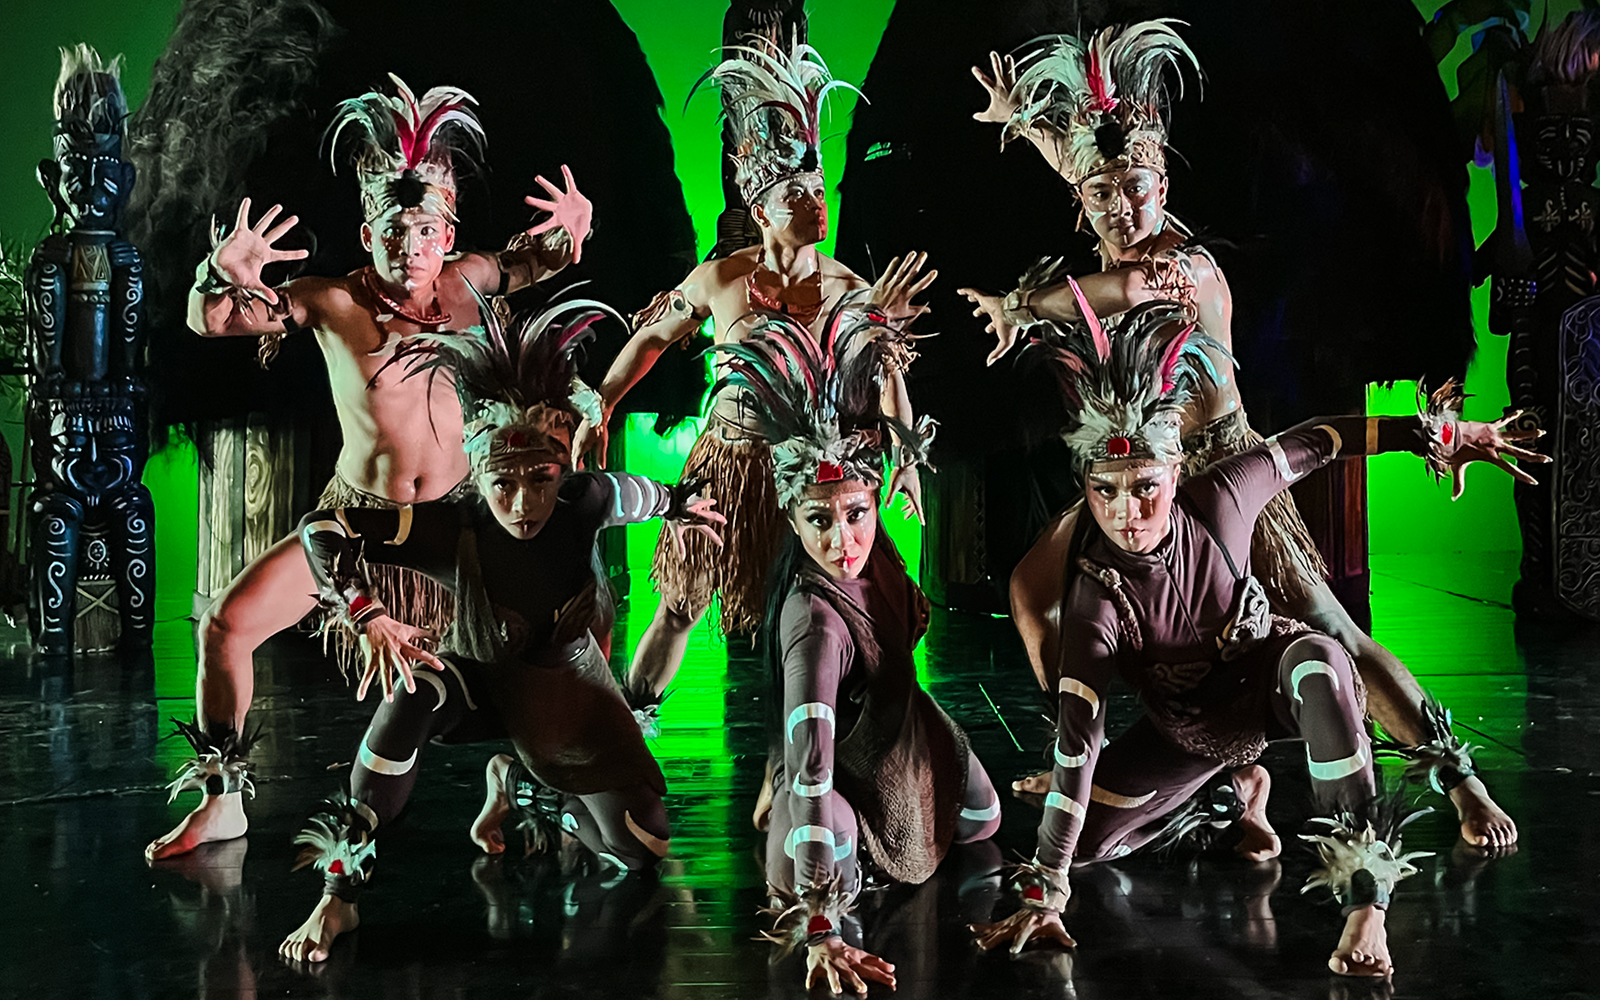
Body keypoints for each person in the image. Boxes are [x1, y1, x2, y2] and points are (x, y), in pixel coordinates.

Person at [959, 21, 1516, 848]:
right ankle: (1098, 748)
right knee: (1031, 589)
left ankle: (1458, 775)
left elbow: (1126, 290)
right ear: (1081, 200)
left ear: (1163, 183)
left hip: (1221, 476)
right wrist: (1032, 126)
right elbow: (1095, 169)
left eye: (1138, 188)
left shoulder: (1179, 266)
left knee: (1332, 632)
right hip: (1140, 480)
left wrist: (1019, 305)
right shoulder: (1110, 210)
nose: (1123, 206)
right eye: (1103, 195)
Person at [968, 293, 1545, 975]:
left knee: (1325, 659)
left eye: (1145, 487)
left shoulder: (1221, 497)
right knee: (1088, 845)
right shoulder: (1096, 597)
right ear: (1086, 486)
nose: (1128, 513)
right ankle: (1232, 798)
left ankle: (1368, 902)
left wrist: (1438, 435)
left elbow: (1320, 440)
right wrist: (1047, 887)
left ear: (1174, 473)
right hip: (1191, 731)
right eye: (1107, 490)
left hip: (1270, 681)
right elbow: (1077, 743)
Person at [148, 75, 593, 861]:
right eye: (394, 231)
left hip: (458, 525)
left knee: (543, 642)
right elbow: (213, 320)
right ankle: (223, 803)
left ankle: (530, 785)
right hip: (358, 523)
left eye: (426, 232)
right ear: (366, 232)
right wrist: (218, 274)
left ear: (447, 235)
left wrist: (575, 228)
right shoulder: (332, 301)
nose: (411, 249)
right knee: (225, 624)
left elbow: (540, 259)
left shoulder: (469, 282)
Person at [279, 295, 725, 962]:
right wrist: (364, 610)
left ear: (561, 470)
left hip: (567, 707)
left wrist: (683, 503)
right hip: (479, 684)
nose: (522, 504)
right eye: (502, 485)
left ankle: (523, 789)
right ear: (478, 474)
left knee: (645, 845)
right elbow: (322, 528)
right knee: (414, 690)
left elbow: (644, 494)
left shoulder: (585, 502)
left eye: (540, 481)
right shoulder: (451, 527)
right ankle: (337, 895)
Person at [571, 38, 934, 706]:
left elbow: (888, 379)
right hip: (727, 467)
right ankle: (633, 717)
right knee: (680, 604)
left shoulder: (850, 290)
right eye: (797, 193)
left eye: (819, 190)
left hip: (814, 481)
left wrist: (905, 458)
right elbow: (651, 337)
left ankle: (847, 725)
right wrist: (605, 401)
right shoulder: (720, 280)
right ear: (761, 208)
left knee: (840, 602)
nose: (817, 203)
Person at [720, 306, 998, 994]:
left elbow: (894, 426)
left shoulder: (884, 561)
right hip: (830, 773)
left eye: (855, 515)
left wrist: (888, 356)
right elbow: (815, 770)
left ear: (877, 499)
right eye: (818, 520)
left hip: (901, 736)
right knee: (825, 850)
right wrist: (821, 927)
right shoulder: (814, 623)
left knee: (983, 821)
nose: (842, 540)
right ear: (791, 518)